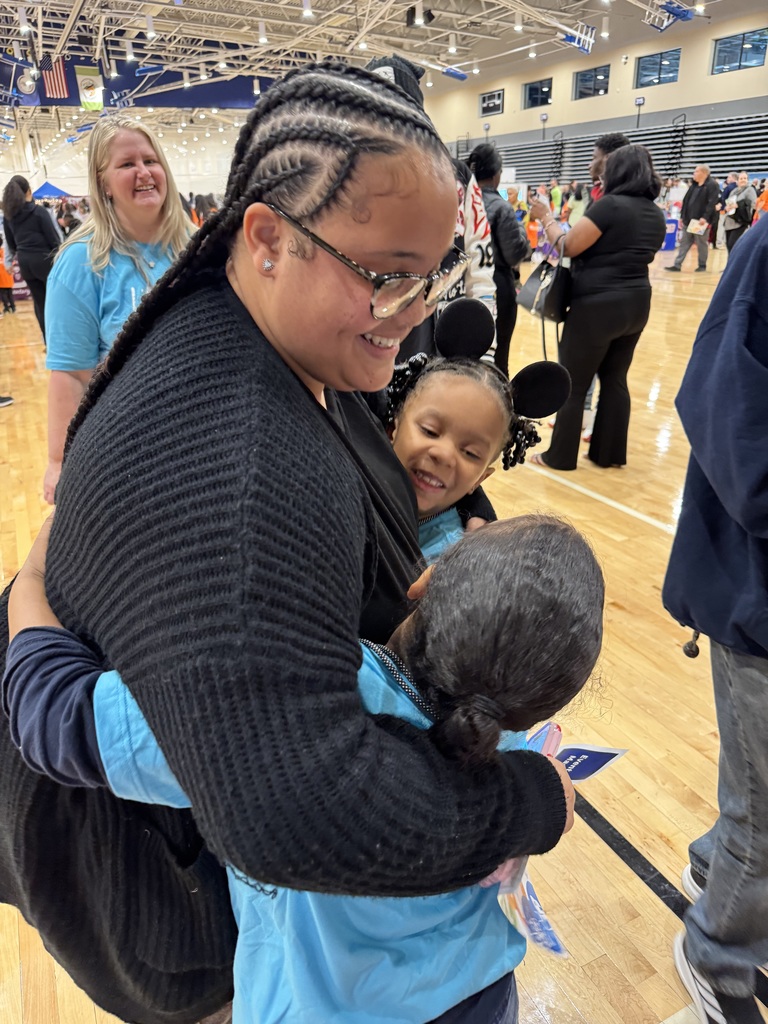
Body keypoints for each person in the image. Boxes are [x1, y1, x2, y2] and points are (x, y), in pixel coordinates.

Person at [0, 62, 573, 1024]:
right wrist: (528, 802)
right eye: (387, 276)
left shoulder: (252, 337)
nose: (419, 306)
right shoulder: (243, 467)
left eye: (432, 275)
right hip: (164, 899)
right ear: (265, 238)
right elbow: (292, 806)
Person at [5, 514, 602, 1024]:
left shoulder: (296, 692)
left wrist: (31, 580)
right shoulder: (522, 751)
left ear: (423, 580)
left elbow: (60, 719)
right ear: (549, 704)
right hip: (483, 999)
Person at [662, 215, 768, 1024]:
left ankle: (717, 866)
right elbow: (725, 412)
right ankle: (716, 955)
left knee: (757, 807)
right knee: (766, 818)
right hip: (754, 595)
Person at [42, 114, 194, 504]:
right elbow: (71, 376)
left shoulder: (197, 247)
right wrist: (60, 461)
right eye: (127, 164)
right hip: (129, 450)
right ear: (104, 183)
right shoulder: (80, 263)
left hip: (200, 436)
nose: (143, 172)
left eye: (150, 160)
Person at [528, 143, 666, 471]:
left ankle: (558, 457)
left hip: (597, 305)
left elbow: (568, 245)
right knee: (616, 378)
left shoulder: (611, 207)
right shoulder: (654, 213)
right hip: (637, 304)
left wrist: (546, 216)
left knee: (573, 383)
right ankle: (609, 455)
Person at [388, 355, 543, 561]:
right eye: (430, 431)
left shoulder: (447, 559)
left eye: (470, 453)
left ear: (480, 480)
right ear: (392, 427)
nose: (444, 455)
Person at [466, 145, 529, 378]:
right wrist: (520, 229)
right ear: (496, 174)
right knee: (498, 354)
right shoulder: (502, 207)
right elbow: (515, 253)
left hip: (461, 283)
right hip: (496, 286)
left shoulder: (459, 201)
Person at [1, 174, 60, 342]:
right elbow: (53, 240)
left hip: (25, 263)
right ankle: (59, 340)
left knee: (39, 303)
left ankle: (48, 341)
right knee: (55, 301)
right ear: (29, 191)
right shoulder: (39, 212)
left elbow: (11, 245)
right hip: (44, 260)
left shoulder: (9, 216)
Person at [665, 165, 719, 273]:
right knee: (684, 242)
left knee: (701, 244)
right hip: (688, 220)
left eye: (696, 171)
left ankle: (702, 265)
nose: (694, 173)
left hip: (700, 222)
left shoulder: (712, 185)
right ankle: (677, 264)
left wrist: (705, 217)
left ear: (704, 173)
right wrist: (682, 216)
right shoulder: (694, 185)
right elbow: (686, 201)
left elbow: (712, 203)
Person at [586, 132, 629, 208]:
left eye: (594, 158)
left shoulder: (612, 201)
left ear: (607, 159)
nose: (589, 165)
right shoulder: (598, 191)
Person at [722, 170, 757, 257]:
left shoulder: (750, 190)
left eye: (745, 178)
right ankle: (730, 266)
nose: (743, 180)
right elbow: (728, 202)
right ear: (737, 180)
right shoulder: (733, 191)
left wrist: (740, 204)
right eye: (741, 178)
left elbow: (754, 204)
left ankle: (736, 267)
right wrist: (727, 207)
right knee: (728, 245)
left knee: (733, 245)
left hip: (740, 221)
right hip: (730, 220)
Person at [0, 233, 16, 312]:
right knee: (9, 292)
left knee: (3, 293)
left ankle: (6, 307)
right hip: (8, 274)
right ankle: (13, 307)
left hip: (1, 276)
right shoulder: (5, 252)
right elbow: (12, 262)